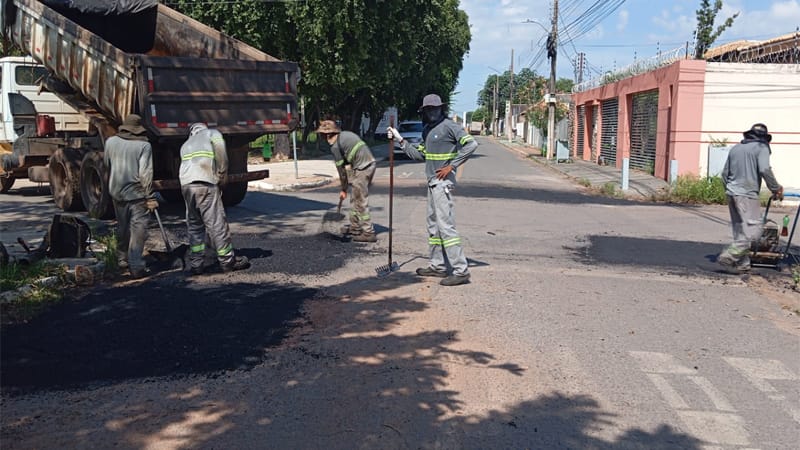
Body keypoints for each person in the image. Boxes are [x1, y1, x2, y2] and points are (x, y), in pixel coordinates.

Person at [387, 94, 478, 286]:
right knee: (433, 226)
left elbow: (471, 144)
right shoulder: (427, 130)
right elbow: (419, 155)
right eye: (429, 109)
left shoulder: (450, 126)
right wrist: (399, 139)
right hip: (432, 182)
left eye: (435, 108)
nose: (432, 112)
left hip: (443, 182)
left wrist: (452, 166)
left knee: (445, 226)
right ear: (425, 111)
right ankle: (437, 265)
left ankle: (461, 270)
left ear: (441, 108)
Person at [179, 122, 250, 275]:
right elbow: (221, 155)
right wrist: (222, 176)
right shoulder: (213, 134)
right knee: (216, 223)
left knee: (195, 224)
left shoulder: (186, 144)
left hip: (186, 186)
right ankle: (227, 261)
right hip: (205, 183)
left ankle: (196, 264)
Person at [718, 123, 783, 272]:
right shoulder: (762, 147)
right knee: (753, 230)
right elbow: (765, 169)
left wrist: (730, 190)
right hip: (747, 195)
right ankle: (730, 255)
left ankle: (743, 263)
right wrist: (776, 188)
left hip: (731, 193)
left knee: (740, 230)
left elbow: (724, 174)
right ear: (764, 138)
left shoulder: (736, 148)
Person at [104, 114, 157, 279]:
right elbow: (145, 173)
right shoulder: (144, 146)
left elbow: (107, 165)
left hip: (116, 192)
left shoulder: (110, 142)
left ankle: (122, 260)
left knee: (122, 227)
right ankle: (136, 266)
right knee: (138, 229)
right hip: (136, 194)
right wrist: (150, 197)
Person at [317, 120, 378, 243]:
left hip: (363, 168)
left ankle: (368, 232)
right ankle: (355, 227)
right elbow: (348, 162)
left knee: (360, 200)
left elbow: (342, 171)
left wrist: (343, 189)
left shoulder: (335, 147)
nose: (322, 137)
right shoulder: (345, 135)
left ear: (328, 135)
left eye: (322, 135)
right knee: (354, 198)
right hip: (366, 164)